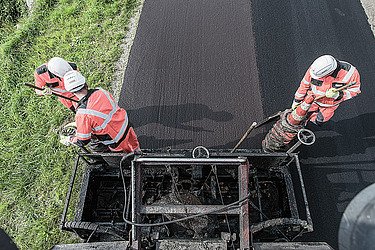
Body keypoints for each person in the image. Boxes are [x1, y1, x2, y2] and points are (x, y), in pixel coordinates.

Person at [59, 70, 140, 153]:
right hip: (125, 124)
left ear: (71, 92)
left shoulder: (82, 114)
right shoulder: (100, 91)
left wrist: (70, 139)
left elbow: (83, 141)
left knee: (126, 155)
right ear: (84, 83)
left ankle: (133, 160)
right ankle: (138, 151)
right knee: (133, 143)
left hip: (116, 139)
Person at [291, 55, 361, 125]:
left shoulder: (350, 73)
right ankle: (303, 122)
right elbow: (304, 85)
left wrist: (338, 95)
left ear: (330, 72)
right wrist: (297, 100)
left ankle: (310, 123)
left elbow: (355, 91)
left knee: (320, 120)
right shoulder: (315, 69)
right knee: (300, 114)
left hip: (329, 105)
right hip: (312, 99)